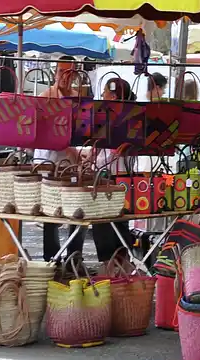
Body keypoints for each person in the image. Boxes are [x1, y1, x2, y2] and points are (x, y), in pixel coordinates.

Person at [36, 55, 85, 263]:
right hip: (50, 159)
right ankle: (51, 258)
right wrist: (71, 149)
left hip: (71, 161)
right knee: (51, 210)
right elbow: (43, 132)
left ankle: (75, 256)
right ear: (55, 73)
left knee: (78, 207)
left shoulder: (78, 98)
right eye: (60, 72)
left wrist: (80, 152)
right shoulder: (45, 97)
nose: (64, 77)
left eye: (68, 72)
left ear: (74, 75)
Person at [92, 77, 136, 267]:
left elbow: (114, 153)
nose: (102, 95)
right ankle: (119, 264)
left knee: (105, 221)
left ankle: (112, 265)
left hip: (111, 176)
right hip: (116, 175)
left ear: (113, 96)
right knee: (117, 220)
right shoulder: (119, 117)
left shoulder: (119, 120)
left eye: (105, 92)